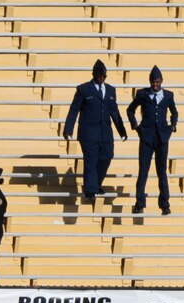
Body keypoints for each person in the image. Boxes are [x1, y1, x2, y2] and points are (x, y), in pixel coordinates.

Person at [63, 59, 127, 205]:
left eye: (104, 76)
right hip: (88, 133)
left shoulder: (111, 90)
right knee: (91, 161)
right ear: (94, 75)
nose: (102, 78)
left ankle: (96, 184)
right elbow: (74, 110)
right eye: (99, 76)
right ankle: (90, 191)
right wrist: (68, 129)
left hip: (106, 133)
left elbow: (114, 112)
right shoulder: (83, 89)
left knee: (106, 157)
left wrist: (121, 130)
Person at [126, 65, 177, 216]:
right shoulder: (142, 94)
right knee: (143, 171)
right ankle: (139, 203)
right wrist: (135, 125)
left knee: (162, 171)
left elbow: (174, 111)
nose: (155, 85)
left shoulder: (168, 95)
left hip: (162, 137)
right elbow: (130, 110)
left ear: (161, 81)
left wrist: (172, 126)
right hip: (146, 136)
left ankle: (165, 204)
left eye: (157, 82)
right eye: (153, 82)